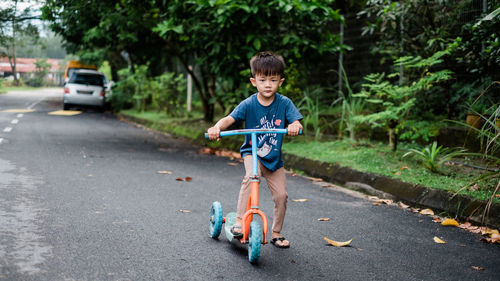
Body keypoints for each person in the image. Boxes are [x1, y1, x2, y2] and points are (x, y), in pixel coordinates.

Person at [207, 51, 303, 248]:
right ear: (253, 81)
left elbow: (296, 122)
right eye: (262, 80)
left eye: (273, 80)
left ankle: (276, 232)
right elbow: (229, 119)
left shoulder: (284, 104)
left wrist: (295, 126)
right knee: (252, 178)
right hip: (253, 154)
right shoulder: (249, 103)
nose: (268, 84)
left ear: (281, 82)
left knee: (281, 196)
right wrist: (217, 127)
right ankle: (240, 220)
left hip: (274, 159)